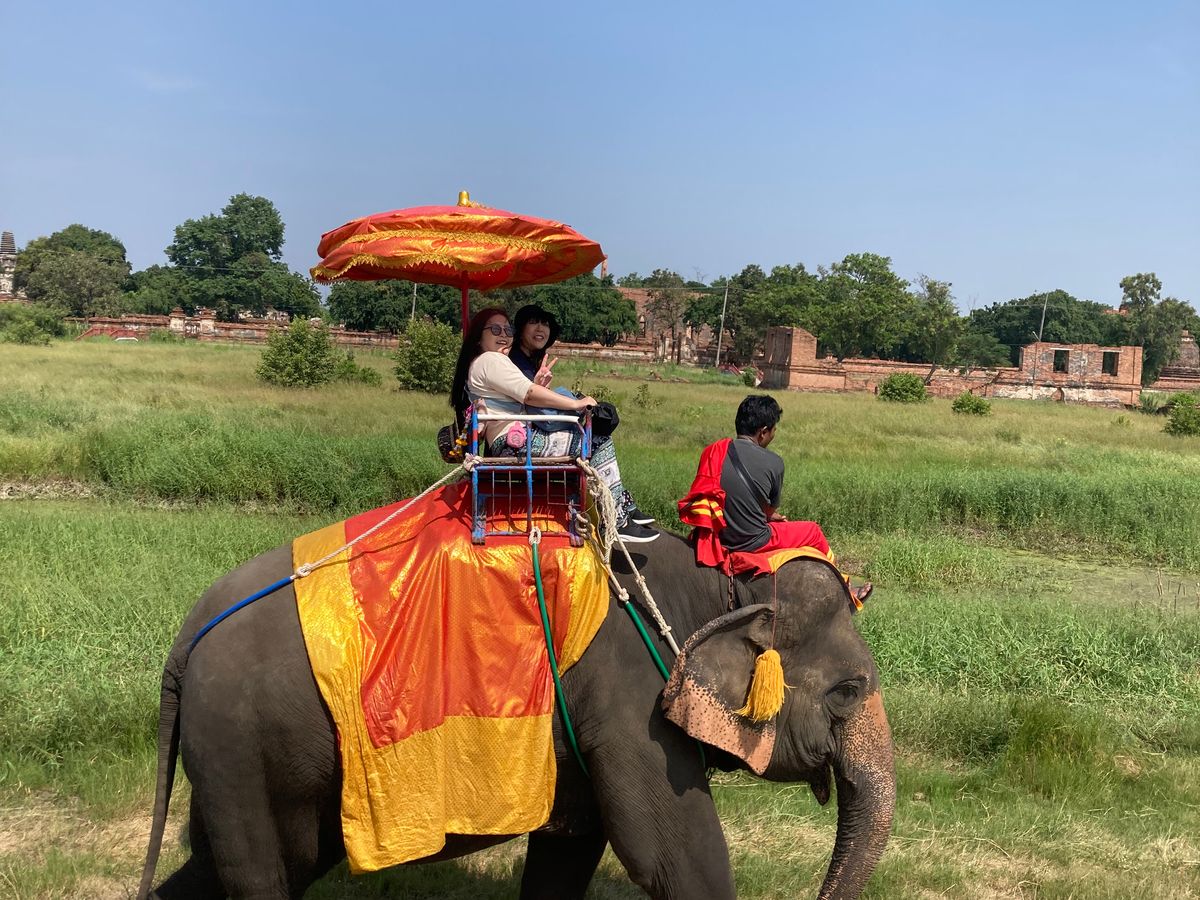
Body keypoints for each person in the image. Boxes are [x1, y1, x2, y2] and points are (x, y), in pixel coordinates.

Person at [450, 307, 658, 543]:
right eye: (495, 329)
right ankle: (616, 520)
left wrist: (538, 386)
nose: (504, 335)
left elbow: (520, 396)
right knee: (598, 440)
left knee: (586, 436)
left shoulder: (484, 362)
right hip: (517, 442)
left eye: (508, 330)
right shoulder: (491, 359)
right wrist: (577, 403)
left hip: (511, 439)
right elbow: (529, 393)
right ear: (479, 337)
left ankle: (618, 506)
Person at [679, 394, 871, 603]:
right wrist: (771, 516)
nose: (773, 435)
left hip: (718, 536)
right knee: (813, 531)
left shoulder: (712, 452)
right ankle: (845, 590)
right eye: (773, 430)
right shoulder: (774, 462)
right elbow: (768, 511)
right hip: (752, 540)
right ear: (763, 432)